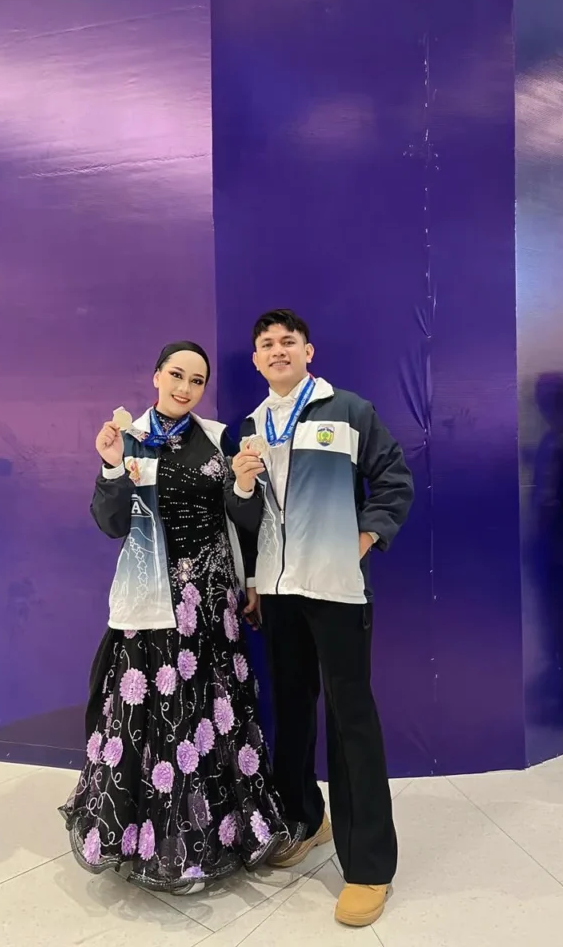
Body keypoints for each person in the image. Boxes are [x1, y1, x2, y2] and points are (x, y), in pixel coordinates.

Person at [60, 341, 287, 895]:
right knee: (157, 717)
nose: (186, 388)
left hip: (209, 604)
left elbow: (244, 517)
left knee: (212, 717)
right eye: (177, 375)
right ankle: (154, 842)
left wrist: (243, 488)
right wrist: (111, 466)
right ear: (156, 376)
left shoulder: (218, 437)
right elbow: (111, 524)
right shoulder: (127, 438)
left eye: (197, 380)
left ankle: (215, 835)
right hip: (150, 603)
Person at [225, 309, 414, 928]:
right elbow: (246, 519)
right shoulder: (248, 427)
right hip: (279, 594)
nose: (277, 351)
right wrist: (242, 492)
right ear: (257, 359)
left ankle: (369, 865)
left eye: (288, 341)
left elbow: (395, 481)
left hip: (335, 589)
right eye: (266, 344)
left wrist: (363, 538)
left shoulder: (349, 411)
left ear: (308, 351)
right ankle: (305, 820)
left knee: (349, 717)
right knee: (292, 709)